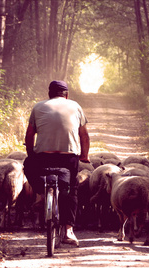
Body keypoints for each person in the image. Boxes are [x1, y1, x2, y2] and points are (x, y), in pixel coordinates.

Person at [23, 80, 90, 245]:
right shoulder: (75, 106)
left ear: (49, 94)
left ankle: (41, 193)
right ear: (66, 95)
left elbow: (30, 134)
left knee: (27, 166)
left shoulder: (38, 107)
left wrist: (31, 154)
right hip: (69, 157)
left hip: (43, 156)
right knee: (72, 189)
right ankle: (68, 230)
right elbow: (84, 136)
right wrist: (84, 156)